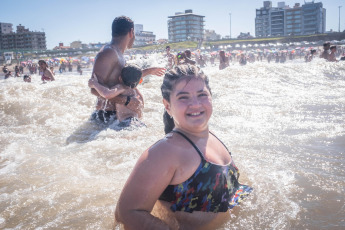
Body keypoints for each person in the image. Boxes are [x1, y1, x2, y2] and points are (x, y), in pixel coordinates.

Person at [115, 64, 253, 230]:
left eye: (202, 95)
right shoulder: (165, 152)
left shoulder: (211, 136)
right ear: (167, 106)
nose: (195, 104)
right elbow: (126, 214)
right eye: (183, 97)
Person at [90, 16, 165, 123]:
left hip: (117, 116)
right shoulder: (108, 53)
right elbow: (94, 89)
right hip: (106, 116)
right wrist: (127, 101)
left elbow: (126, 79)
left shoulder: (118, 53)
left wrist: (148, 71)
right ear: (131, 32)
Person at [89, 64, 145, 128]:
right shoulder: (138, 94)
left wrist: (94, 84)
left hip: (126, 122)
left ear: (120, 78)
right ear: (140, 81)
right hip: (137, 122)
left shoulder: (122, 87)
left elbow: (106, 94)